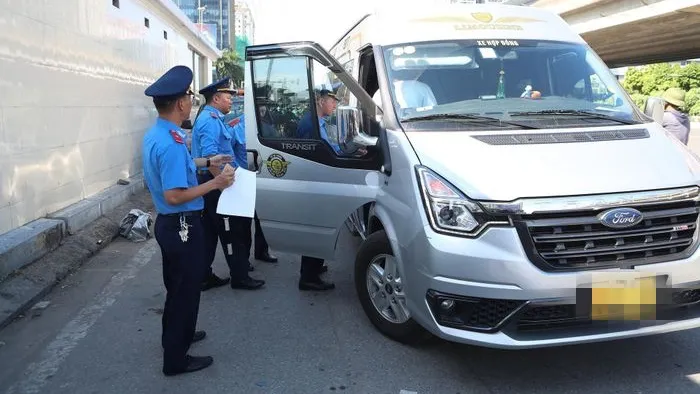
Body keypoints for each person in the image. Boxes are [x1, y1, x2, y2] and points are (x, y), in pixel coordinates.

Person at [142, 65, 235, 376]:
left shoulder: (161, 133)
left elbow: (180, 165)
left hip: (171, 225)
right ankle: (175, 359)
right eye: (189, 99)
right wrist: (215, 183)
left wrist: (208, 162)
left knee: (178, 286)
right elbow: (174, 195)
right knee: (185, 290)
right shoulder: (170, 141)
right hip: (181, 223)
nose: (191, 104)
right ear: (180, 103)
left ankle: (177, 336)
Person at [192, 78, 265, 291]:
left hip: (213, 183)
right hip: (216, 184)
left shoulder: (213, 118)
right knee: (231, 231)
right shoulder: (209, 121)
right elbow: (211, 157)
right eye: (228, 97)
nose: (231, 101)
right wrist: (225, 187)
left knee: (210, 233)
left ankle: (204, 276)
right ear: (216, 98)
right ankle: (240, 277)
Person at [227, 112, 279, 264]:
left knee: (262, 217)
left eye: (264, 106)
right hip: (242, 179)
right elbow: (227, 154)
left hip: (262, 178)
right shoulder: (236, 126)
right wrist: (237, 174)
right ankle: (244, 260)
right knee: (244, 224)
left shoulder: (266, 127)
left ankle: (262, 251)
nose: (262, 110)